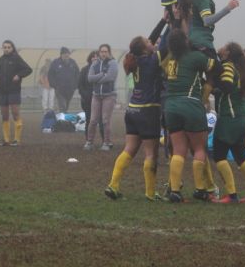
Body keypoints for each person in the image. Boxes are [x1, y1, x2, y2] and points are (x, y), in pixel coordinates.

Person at [104, 17, 168, 201]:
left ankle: (113, 185)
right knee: (151, 153)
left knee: (129, 149)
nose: (152, 42)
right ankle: (149, 193)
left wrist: (163, 21)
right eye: (149, 42)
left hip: (132, 111)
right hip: (148, 111)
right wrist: (172, 22)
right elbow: (166, 44)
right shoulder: (152, 61)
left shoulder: (137, 59)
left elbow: (150, 40)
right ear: (144, 48)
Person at [163, 29, 218, 203]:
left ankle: (174, 190)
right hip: (191, 105)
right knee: (199, 148)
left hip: (171, 106)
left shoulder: (170, 60)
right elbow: (215, 66)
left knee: (178, 150)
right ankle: (200, 189)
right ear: (186, 41)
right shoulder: (195, 57)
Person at [211, 42, 245, 203]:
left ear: (228, 53)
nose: (221, 48)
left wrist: (211, 86)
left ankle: (231, 194)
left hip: (230, 119)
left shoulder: (227, 66)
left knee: (219, 155)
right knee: (240, 155)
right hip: (240, 117)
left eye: (224, 47)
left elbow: (226, 85)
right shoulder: (238, 68)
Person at [0, 40, 32, 146]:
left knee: (15, 114)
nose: (6, 49)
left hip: (14, 91)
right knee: (4, 115)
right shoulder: (1, 59)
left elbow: (28, 69)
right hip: (2, 91)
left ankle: (16, 139)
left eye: (8, 47)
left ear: (12, 48)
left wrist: (19, 75)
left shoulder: (16, 58)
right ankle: (6, 140)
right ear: (2, 48)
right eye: (5, 47)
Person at [84, 44, 118, 151]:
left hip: (109, 95)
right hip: (96, 95)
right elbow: (89, 78)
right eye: (102, 51)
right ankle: (89, 142)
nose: (103, 53)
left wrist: (97, 79)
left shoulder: (113, 63)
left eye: (106, 51)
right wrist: (102, 75)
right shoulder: (95, 63)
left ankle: (106, 143)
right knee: (93, 120)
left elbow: (110, 77)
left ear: (109, 52)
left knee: (105, 120)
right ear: (99, 52)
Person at [48, 47, 80, 113]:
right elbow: (50, 75)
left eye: (68, 53)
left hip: (70, 89)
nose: (66, 55)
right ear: (61, 54)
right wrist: (54, 85)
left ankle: (63, 117)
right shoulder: (55, 63)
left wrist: (75, 85)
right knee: (62, 105)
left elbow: (77, 74)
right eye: (65, 54)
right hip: (59, 89)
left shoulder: (72, 62)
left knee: (66, 105)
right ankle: (62, 120)